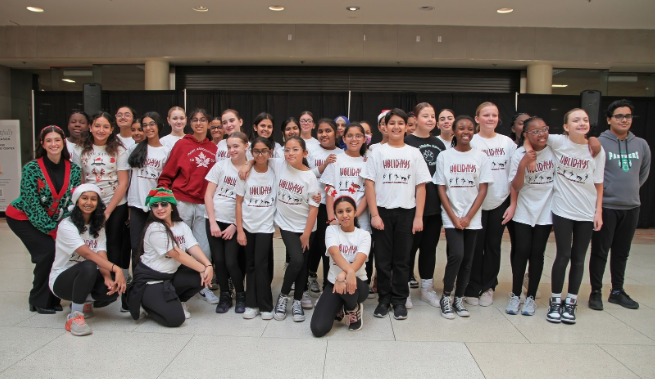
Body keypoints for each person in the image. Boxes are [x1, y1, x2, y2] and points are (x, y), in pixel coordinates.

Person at [239, 136, 320, 322]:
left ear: (305, 153)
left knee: (302, 265)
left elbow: (314, 207)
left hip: (307, 227)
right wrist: (247, 164)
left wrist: (307, 234)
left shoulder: (309, 177)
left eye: (295, 150)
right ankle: (283, 296)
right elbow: (260, 156)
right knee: (297, 259)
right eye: (287, 150)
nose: (290, 153)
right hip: (285, 224)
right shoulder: (279, 164)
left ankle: (297, 300)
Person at [362, 108, 431, 320]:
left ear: (406, 126)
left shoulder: (413, 153)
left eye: (400, 123)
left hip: (407, 213)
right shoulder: (377, 152)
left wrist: (418, 216)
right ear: (385, 126)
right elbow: (369, 184)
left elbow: (421, 187)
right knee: (382, 260)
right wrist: (374, 214)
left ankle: (400, 300)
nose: (396, 127)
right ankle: (384, 299)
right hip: (382, 212)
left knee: (402, 260)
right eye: (392, 123)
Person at [537, 108, 605, 324]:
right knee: (563, 255)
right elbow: (534, 135)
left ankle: (572, 301)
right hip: (563, 209)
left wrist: (598, 211)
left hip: (586, 211)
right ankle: (556, 300)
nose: (581, 123)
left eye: (585, 120)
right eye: (576, 120)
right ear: (566, 127)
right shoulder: (558, 142)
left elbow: (599, 183)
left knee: (579, 258)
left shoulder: (596, 150)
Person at [6, 125, 81, 314]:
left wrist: (62, 226)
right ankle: (38, 300)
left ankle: (52, 297)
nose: (53, 144)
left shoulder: (73, 169)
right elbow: (31, 205)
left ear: (63, 142)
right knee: (47, 252)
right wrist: (52, 230)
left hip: (53, 221)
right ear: (42, 144)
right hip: (22, 218)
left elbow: (72, 202)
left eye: (57, 140)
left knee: (57, 254)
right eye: (49, 140)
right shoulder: (31, 168)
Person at [589, 99, 651, 311]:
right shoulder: (599, 142)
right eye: (619, 116)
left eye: (627, 116)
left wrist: (629, 189)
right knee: (600, 251)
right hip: (606, 206)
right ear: (609, 119)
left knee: (622, 252)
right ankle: (595, 292)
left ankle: (617, 291)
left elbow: (642, 173)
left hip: (631, 206)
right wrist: (609, 190)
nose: (624, 120)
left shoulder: (641, 144)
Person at [158, 108, 219, 305]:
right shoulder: (181, 145)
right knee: (178, 246)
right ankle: (173, 286)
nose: (199, 123)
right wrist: (166, 200)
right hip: (182, 202)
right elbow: (166, 175)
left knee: (203, 248)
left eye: (203, 120)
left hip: (204, 205)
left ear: (209, 124)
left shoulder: (215, 148)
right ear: (190, 123)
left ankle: (204, 286)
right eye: (195, 120)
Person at [127, 188, 213, 326]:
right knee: (176, 319)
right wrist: (203, 267)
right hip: (151, 280)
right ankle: (145, 304)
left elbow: (193, 246)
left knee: (198, 277)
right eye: (155, 205)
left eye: (164, 204)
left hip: (170, 276)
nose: (159, 208)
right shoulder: (154, 228)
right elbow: (176, 254)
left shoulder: (181, 225)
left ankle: (178, 301)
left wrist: (208, 265)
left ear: (172, 206)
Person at [434, 115, 492, 319]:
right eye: (461, 128)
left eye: (469, 128)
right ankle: (446, 296)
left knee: (468, 260)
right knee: (456, 255)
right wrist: (454, 216)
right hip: (451, 215)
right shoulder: (445, 156)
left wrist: (468, 217)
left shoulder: (481, 157)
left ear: (474, 131)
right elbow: (441, 189)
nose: (465, 132)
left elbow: (482, 190)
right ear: (454, 132)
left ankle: (459, 297)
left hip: (472, 217)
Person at [71, 112, 131, 309]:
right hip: (89, 205)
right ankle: (91, 286)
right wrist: (83, 205)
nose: (101, 130)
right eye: (97, 125)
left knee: (113, 246)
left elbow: (123, 183)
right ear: (90, 127)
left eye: (106, 126)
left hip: (115, 204)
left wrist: (107, 211)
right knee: (90, 245)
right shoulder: (81, 149)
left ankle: (112, 288)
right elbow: (79, 179)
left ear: (112, 129)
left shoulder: (119, 150)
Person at [49, 184, 126, 336]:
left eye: (93, 199)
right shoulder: (67, 226)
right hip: (61, 281)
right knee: (89, 265)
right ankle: (75, 315)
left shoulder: (97, 226)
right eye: (84, 198)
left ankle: (84, 301)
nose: (88, 202)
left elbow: (101, 253)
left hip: (86, 276)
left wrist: (107, 277)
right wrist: (116, 269)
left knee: (112, 290)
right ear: (77, 201)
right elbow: (89, 255)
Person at [464, 102, 517, 307]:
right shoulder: (471, 141)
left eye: (494, 115)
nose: (490, 118)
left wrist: (512, 204)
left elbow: (513, 176)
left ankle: (488, 287)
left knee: (493, 246)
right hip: (474, 203)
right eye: (486, 115)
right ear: (477, 119)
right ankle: (472, 285)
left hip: (499, 201)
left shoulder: (507, 143)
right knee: (475, 247)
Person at [505, 116, 555, 316]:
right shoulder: (519, 155)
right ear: (526, 135)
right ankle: (516, 294)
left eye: (544, 129)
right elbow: (516, 186)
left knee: (537, 253)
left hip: (546, 210)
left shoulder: (554, 149)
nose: (541, 134)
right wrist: (523, 164)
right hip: (524, 209)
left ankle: (531, 297)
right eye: (535, 131)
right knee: (521, 251)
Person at [322, 122, 371, 297]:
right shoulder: (337, 159)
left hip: (360, 217)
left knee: (358, 253)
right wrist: (331, 218)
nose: (354, 139)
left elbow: (367, 192)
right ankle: (330, 288)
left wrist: (355, 214)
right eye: (350, 135)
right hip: (337, 217)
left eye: (359, 135)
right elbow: (329, 189)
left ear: (364, 139)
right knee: (336, 253)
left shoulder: (367, 161)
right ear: (343, 138)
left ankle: (358, 290)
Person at [405, 103, 446, 309]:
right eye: (425, 116)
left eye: (433, 116)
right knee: (408, 249)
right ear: (416, 118)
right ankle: (404, 290)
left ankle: (427, 288)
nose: (430, 119)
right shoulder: (406, 141)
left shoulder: (439, 143)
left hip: (434, 206)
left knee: (429, 249)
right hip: (411, 206)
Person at [310, 196, 371, 336]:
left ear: (355, 212)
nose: (344, 215)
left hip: (358, 284)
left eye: (348, 210)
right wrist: (346, 272)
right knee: (318, 329)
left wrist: (344, 274)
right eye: (340, 212)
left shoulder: (364, 235)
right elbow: (335, 253)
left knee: (348, 283)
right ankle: (340, 306)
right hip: (335, 285)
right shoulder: (331, 231)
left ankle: (352, 308)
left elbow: (359, 261)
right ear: (335, 215)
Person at [205, 132, 249, 313]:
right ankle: (224, 295)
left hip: (235, 223)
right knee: (220, 262)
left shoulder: (250, 170)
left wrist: (235, 225)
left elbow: (250, 202)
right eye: (229, 147)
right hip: (215, 220)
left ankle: (240, 294)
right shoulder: (220, 166)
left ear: (246, 146)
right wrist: (213, 222)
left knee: (231, 262)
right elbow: (208, 195)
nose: (232, 150)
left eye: (236, 146)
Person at [236, 137, 277, 320]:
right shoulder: (244, 174)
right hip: (247, 226)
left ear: (270, 152)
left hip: (265, 227)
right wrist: (239, 230)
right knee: (250, 265)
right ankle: (251, 304)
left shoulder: (276, 169)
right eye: (256, 151)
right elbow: (238, 203)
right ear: (251, 152)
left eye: (264, 151)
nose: (260, 155)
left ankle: (266, 305)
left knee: (261, 265)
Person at [306, 118, 344, 304]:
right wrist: (324, 165)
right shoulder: (312, 151)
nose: (324, 134)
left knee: (328, 245)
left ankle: (328, 280)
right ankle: (311, 275)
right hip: (312, 204)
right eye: (320, 131)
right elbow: (305, 174)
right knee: (315, 244)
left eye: (328, 131)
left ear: (336, 133)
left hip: (331, 204)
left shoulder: (341, 153)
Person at [127, 112, 170, 269]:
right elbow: (127, 180)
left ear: (159, 126)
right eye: (144, 125)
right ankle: (137, 281)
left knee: (156, 244)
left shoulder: (166, 151)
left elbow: (167, 180)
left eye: (151, 124)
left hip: (156, 205)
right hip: (136, 204)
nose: (148, 128)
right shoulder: (133, 149)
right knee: (136, 246)